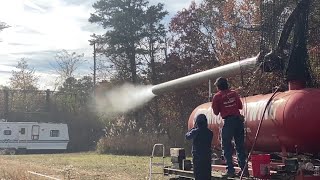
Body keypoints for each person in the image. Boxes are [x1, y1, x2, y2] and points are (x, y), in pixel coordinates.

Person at [211, 77, 248, 178]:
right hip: (238, 121)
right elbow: (240, 106)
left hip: (229, 122)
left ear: (218, 87)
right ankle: (244, 170)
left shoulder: (217, 97)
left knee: (226, 146)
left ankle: (230, 170)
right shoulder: (234, 93)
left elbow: (215, 112)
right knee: (240, 146)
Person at [186, 114, 213, 180]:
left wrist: (192, 129)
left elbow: (187, 136)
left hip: (198, 158)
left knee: (198, 175)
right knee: (207, 175)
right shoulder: (210, 133)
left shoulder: (195, 131)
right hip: (207, 157)